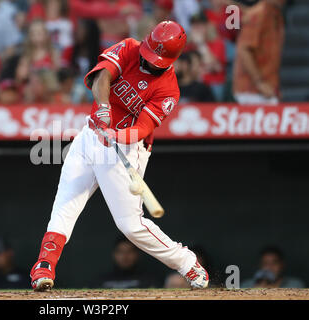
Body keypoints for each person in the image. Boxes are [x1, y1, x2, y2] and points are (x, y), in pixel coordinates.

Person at [29, 21, 209, 292]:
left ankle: (187, 263)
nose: (148, 63)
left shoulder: (169, 90)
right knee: (65, 205)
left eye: (155, 61)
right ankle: (44, 265)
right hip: (91, 135)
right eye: (148, 55)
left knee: (130, 226)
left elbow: (143, 129)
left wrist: (118, 135)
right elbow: (103, 77)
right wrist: (102, 107)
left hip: (125, 149)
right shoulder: (129, 47)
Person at [233, 0, 285, 105]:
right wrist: (259, 82)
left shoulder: (276, 14)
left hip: (268, 87)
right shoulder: (259, 14)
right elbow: (244, 49)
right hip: (252, 90)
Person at [94, 237, 159, 289]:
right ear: (114, 255)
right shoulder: (101, 281)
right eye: (120, 252)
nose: (125, 256)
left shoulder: (148, 280)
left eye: (129, 251)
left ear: (137, 254)